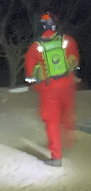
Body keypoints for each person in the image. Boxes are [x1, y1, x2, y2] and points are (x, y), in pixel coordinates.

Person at [24, 11, 80, 167]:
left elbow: (30, 74)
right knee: (67, 114)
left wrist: (35, 84)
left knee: (52, 122)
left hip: (49, 90)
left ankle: (57, 157)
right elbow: (74, 62)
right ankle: (69, 143)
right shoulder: (68, 41)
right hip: (67, 86)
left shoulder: (35, 48)